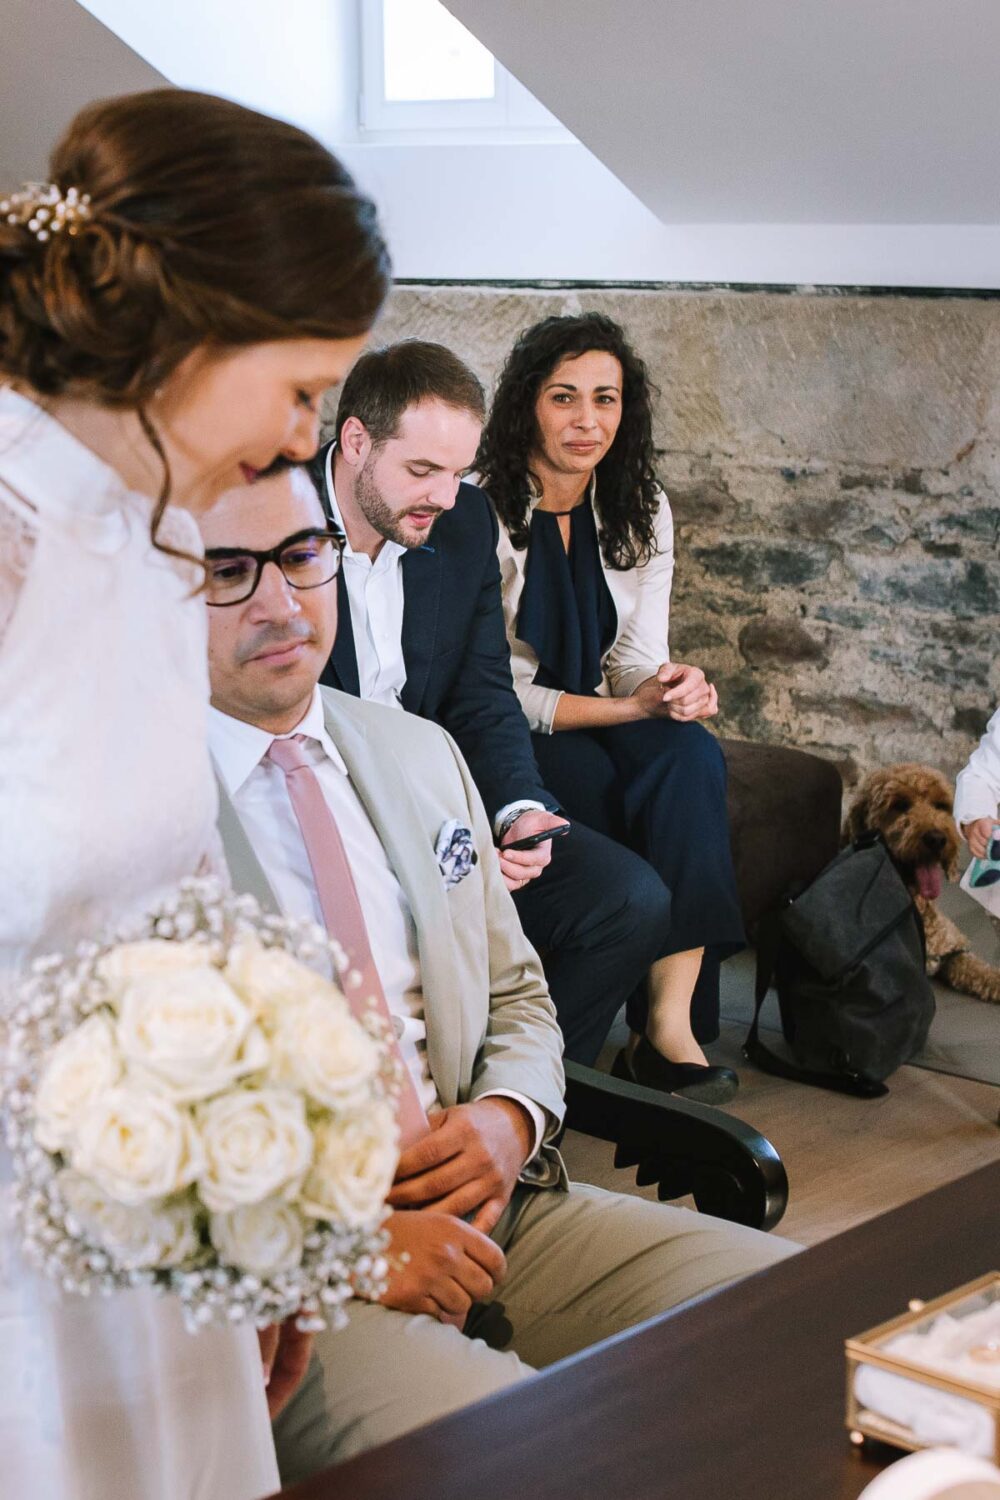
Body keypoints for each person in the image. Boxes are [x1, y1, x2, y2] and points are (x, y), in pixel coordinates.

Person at [199, 463, 798, 1482]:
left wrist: (510, 1115)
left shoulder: (417, 752)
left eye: (302, 557)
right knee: (535, 1458)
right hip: (289, 1288)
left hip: (501, 1203)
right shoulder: (112, 818)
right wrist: (338, 1250)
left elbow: (518, 992)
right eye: (225, 570)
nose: (279, 601)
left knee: (807, 1321)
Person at [0, 88, 389, 1500]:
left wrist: (261, 1221)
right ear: (192, 328)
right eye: (298, 391)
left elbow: (184, 901)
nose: (301, 441)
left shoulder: (160, 540)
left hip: (157, 1229)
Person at [310, 339, 670, 1066]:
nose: (444, 497)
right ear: (355, 441)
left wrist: (517, 808)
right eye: (422, 470)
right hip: (326, 812)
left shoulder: (465, 521)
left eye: (455, 471)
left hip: (441, 809)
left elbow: (479, 693)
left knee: (629, 902)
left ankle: (517, 1106)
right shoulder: (268, 523)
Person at [477, 311, 745, 1102]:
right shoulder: (478, 511)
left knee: (692, 755)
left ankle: (667, 1028)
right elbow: (494, 693)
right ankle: (563, 1054)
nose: (586, 421)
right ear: (528, 403)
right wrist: (631, 714)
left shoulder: (639, 503)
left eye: (606, 398)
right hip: (516, 727)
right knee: (605, 787)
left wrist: (664, 688)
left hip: (596, 703)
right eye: (564, 398)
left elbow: (630, 654)